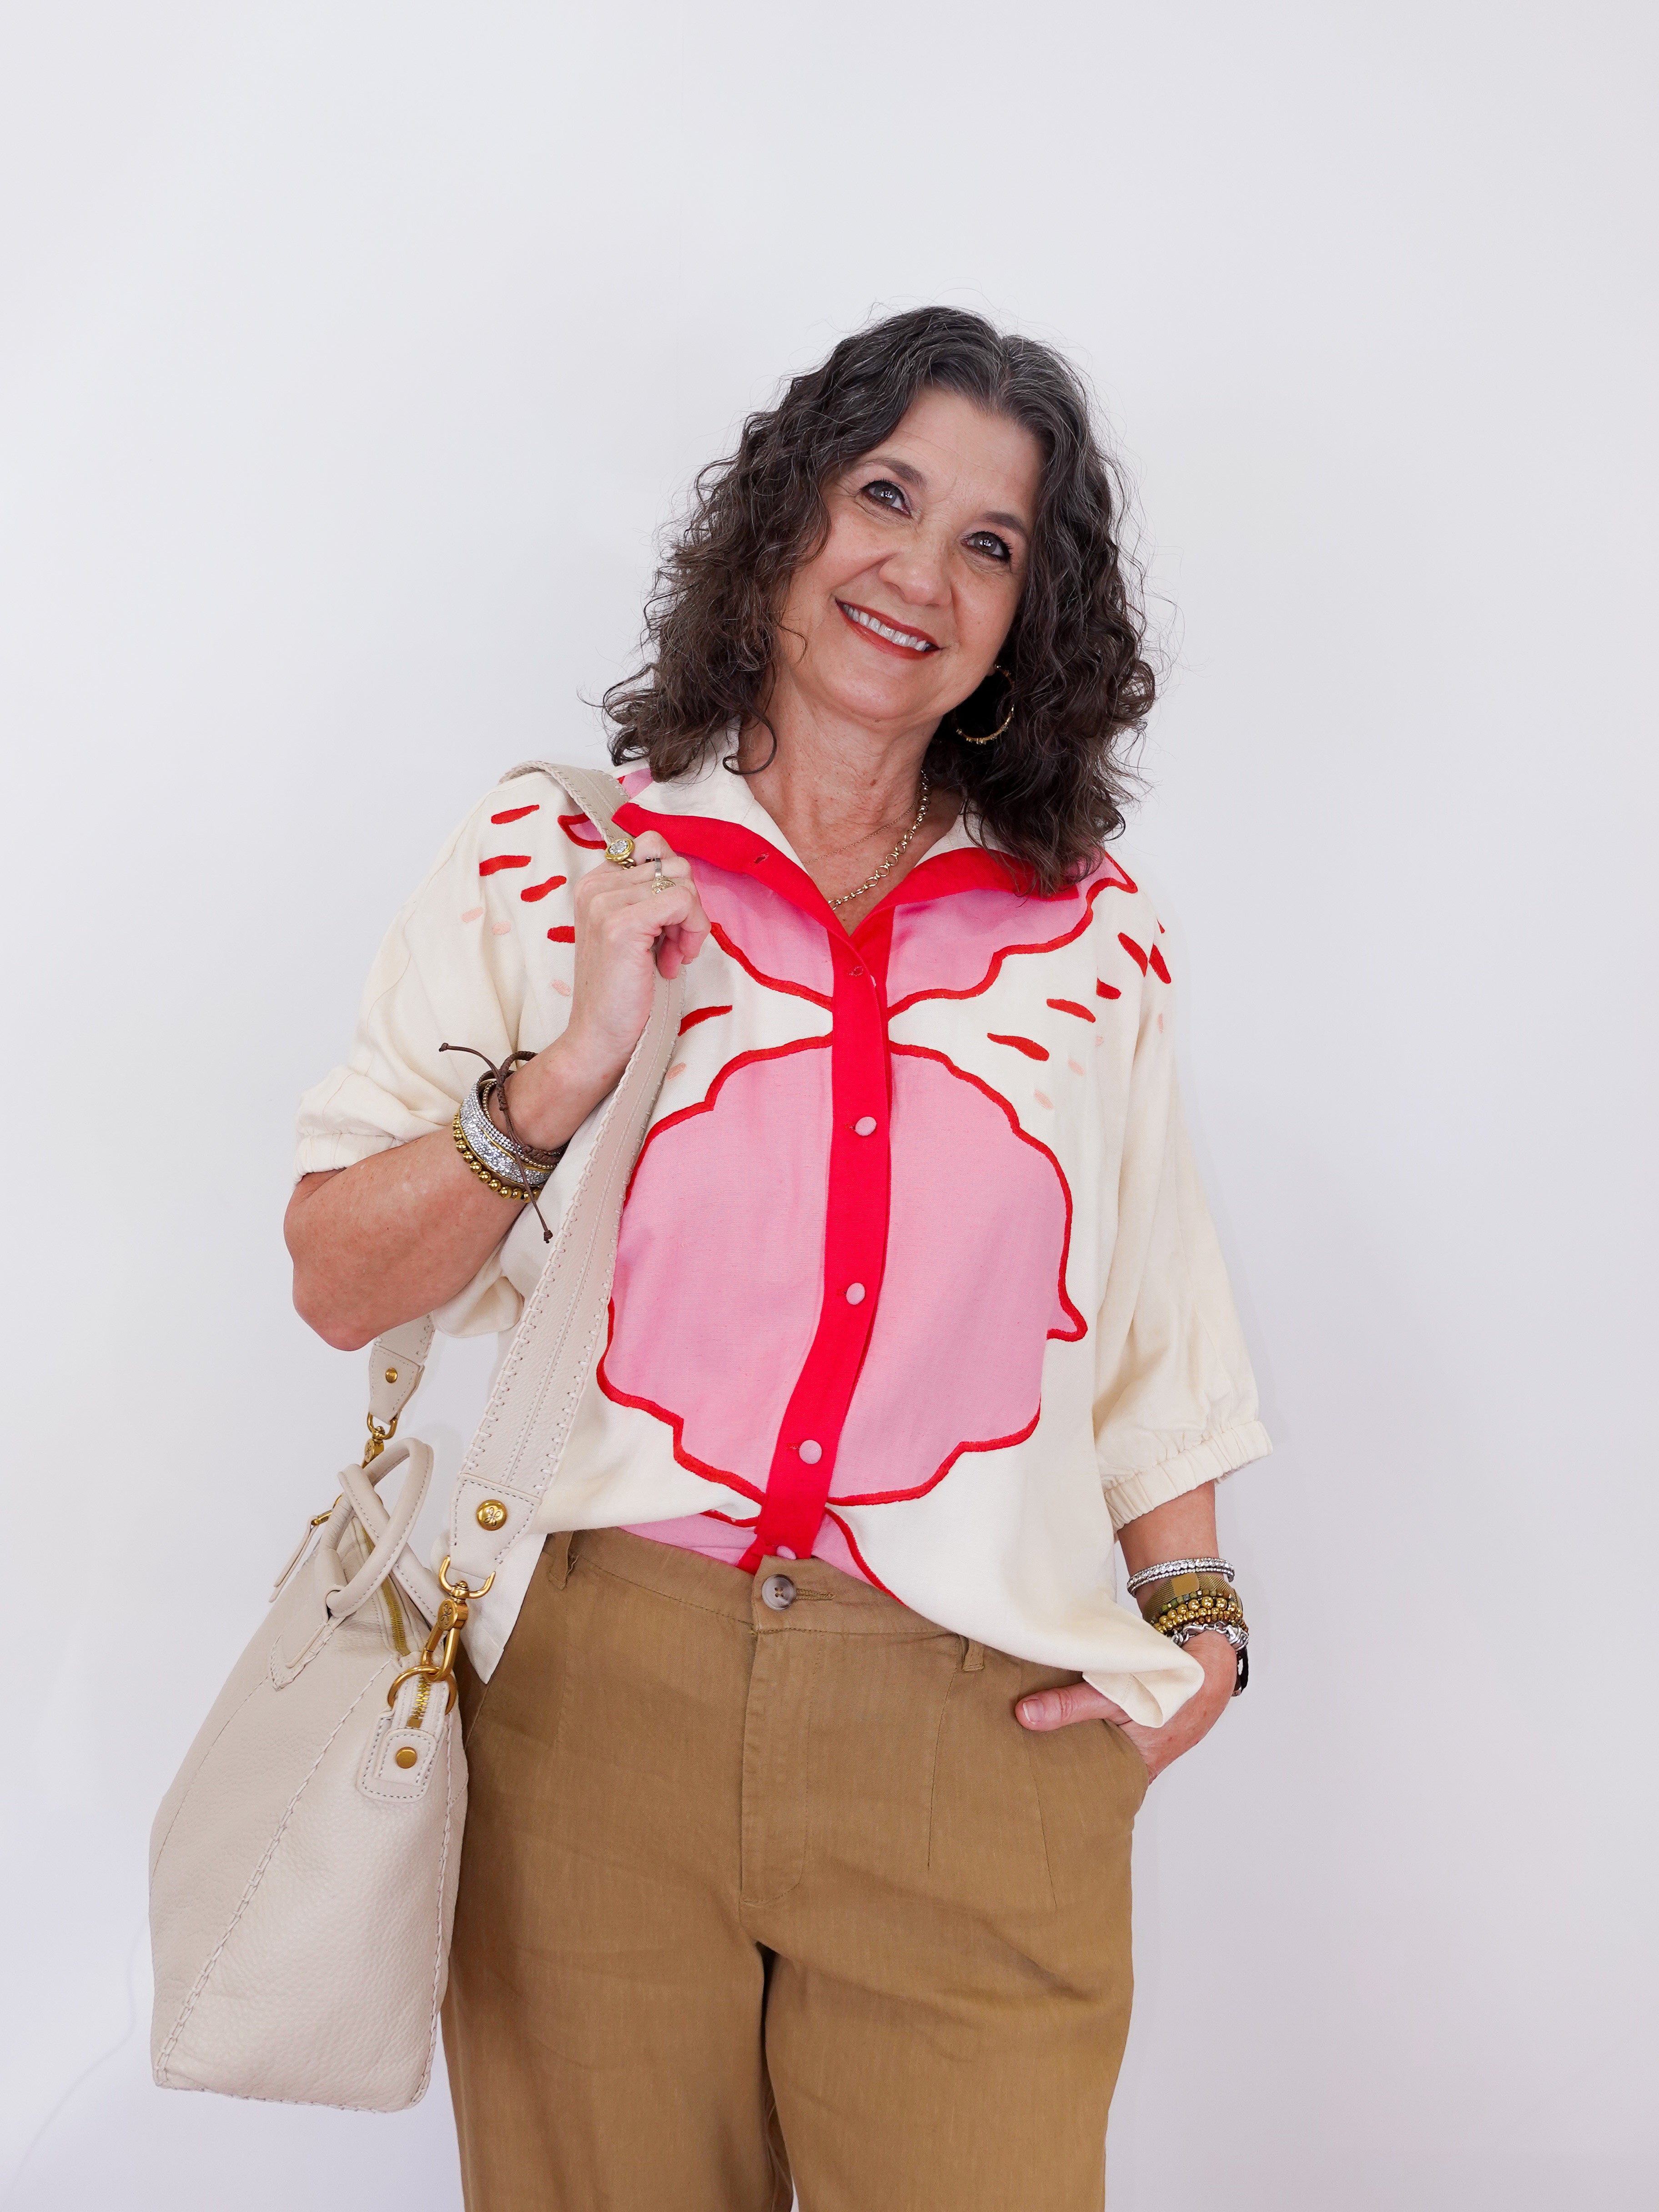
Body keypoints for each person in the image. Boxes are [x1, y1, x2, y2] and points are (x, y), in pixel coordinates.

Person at [285, 306, 1270, 2212]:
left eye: (992, 542)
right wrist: (566, 1070)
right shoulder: (550, 861)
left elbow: (1155, 1312)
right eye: (883, 495)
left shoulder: (1090, 938)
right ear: (786, 521)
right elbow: (339, 1277)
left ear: (1027, 617)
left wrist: (1205, 1626)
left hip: (976, 1720)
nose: (921, 568)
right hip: (598, 1705)